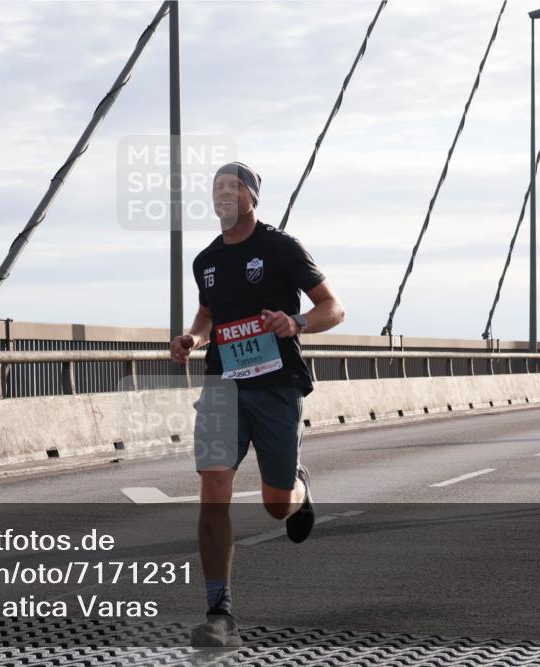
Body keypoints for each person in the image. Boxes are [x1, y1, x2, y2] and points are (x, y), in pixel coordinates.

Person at [170, 161, 345, 648]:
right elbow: (207, 313)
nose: (223, 193)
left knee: (274, 506)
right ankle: (219, 614)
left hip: (276, 384)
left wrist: (297, 323)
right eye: (217, 188)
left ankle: (299, 491)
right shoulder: (204, 260)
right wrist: (191, 337)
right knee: (214, 486)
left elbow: (333, 306)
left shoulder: (279, 247)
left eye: (233, 186)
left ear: (251, 197)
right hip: (222, 384)